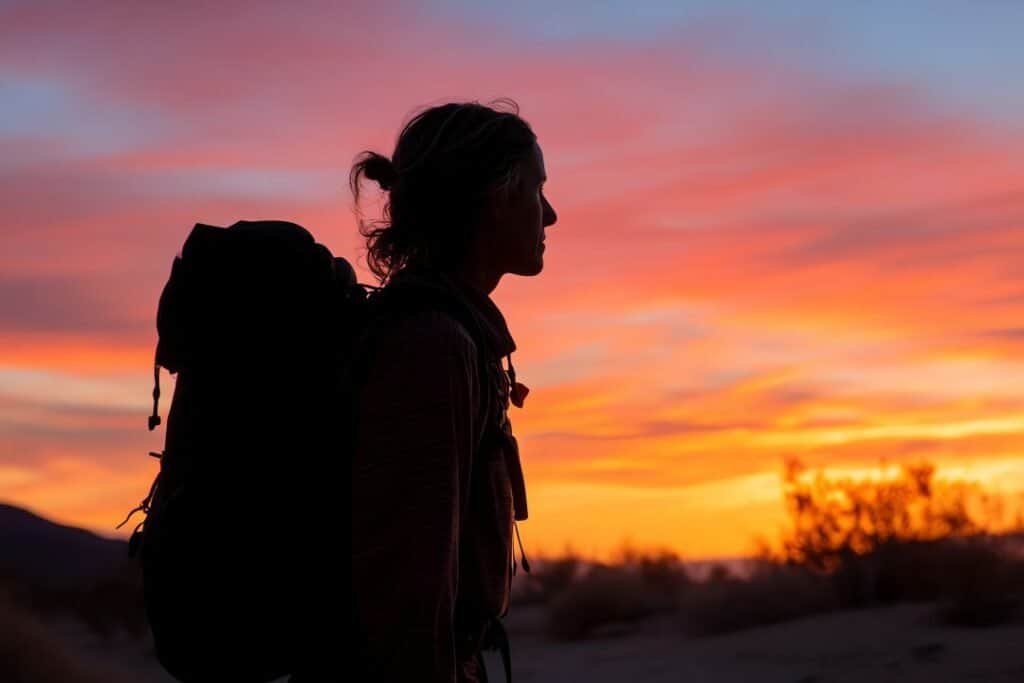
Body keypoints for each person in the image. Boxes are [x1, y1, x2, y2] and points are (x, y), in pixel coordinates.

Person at [349, 99, 558, 683]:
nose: (551, 215)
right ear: (495, 196)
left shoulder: (448, 333)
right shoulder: (431, 346)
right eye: (537, 190)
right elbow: (409, 583)